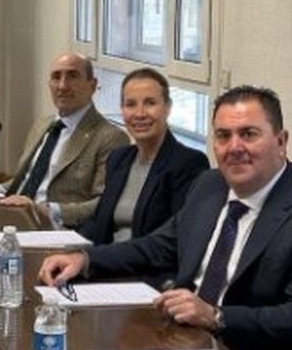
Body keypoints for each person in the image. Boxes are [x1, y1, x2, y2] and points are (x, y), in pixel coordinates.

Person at [38, 85, 292, 350]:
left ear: (281, 141)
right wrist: (86, 260)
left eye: (248, 134)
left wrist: (216, 316)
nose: (234, 147)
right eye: (223, 136)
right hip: (178, 340)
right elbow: (160, 246)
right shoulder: (210, 185)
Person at [0, 53, 126, 229]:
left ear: (92, 85)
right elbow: (27, 180)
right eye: (56, 77)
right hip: (14, 217)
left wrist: (45, 210)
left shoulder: (110, 137)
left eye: (73, 76)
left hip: (54, 229)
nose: (62, 86)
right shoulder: (43, 124)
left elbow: (104, 203)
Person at [76, 68, 210, 245]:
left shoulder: (187, 164)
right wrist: (68, 246)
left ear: (167, 108)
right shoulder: (118, 158)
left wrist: (98, 257)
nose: (139, 114)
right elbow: (99, 222)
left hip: (144, 261)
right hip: (103, 257)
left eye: (150, 103)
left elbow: (171, 241)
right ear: (122, 109)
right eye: (130, 104)